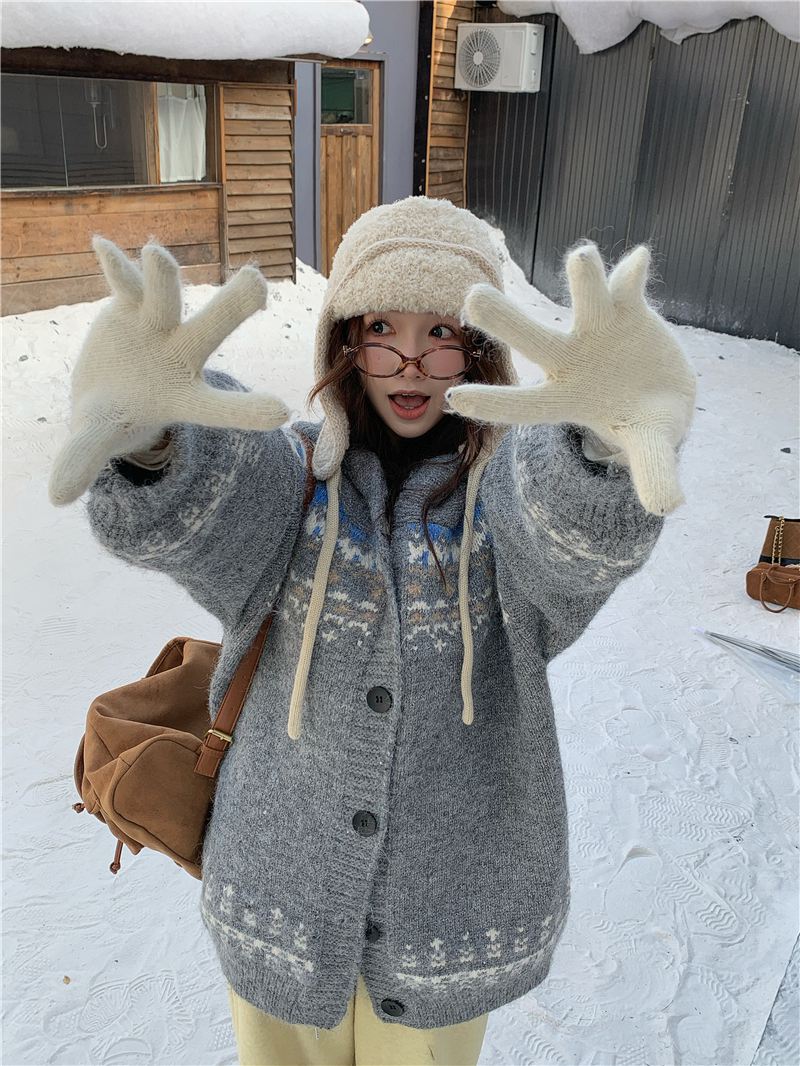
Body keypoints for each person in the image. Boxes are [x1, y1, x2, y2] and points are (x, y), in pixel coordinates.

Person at [48, 195, 696, 1066]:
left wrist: (599, 448)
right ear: (347, 343)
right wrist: (155, 442)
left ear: (479, 347)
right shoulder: (292, 487)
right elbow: (220, 483)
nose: (411, 362)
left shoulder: (503, 506)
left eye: (442, 332)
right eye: (382, 327)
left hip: (445, 928)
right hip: (277, 907)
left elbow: (563, 534)